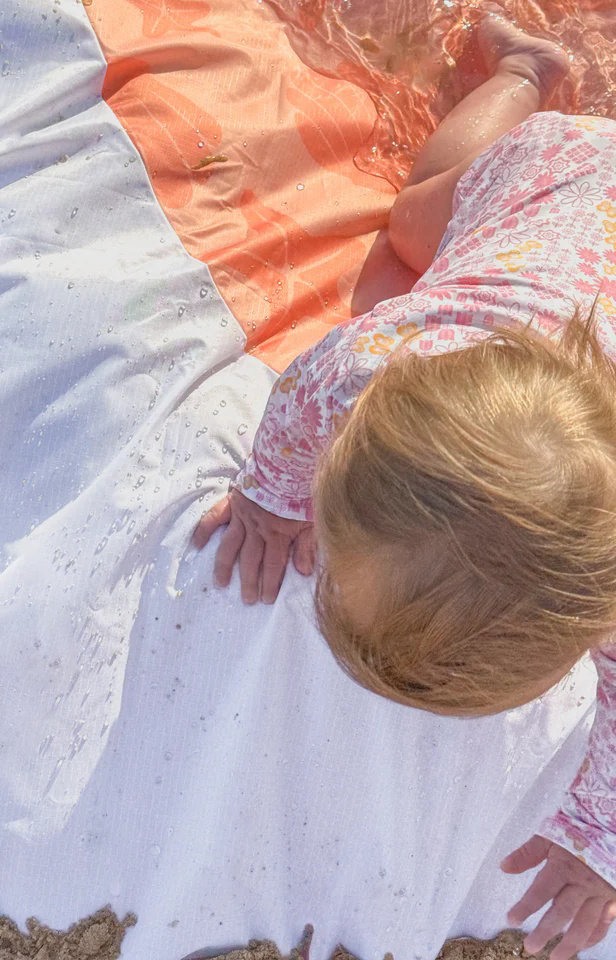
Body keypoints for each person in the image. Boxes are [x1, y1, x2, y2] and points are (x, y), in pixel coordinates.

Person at [193, 8, 616, 959]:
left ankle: (527, 71)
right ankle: (523, 72)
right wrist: (272, 494)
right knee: (420, 213)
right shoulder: (382, 360)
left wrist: (600, 844)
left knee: (415, 231)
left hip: (589, 212)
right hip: (564, 178)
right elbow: (304, 393)